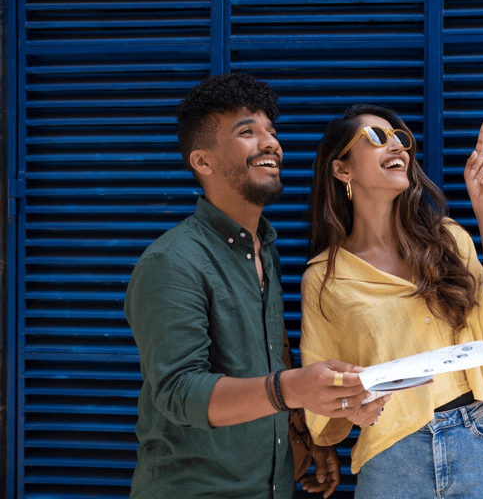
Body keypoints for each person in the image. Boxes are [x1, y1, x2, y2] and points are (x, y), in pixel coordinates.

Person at [124, 73, 387, 499]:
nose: (271, 144)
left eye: (272, 131)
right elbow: (179, 391)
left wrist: (307, 436)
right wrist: (293, 390)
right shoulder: (172, 261)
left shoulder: (265, 250)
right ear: (202, 161)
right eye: (247, 132)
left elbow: (268, 359)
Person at [299, 104, 483, 499]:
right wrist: (352, 409)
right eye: (377, 137)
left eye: (400, 139)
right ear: (342, 170)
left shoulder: (448, 239)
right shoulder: (324, 277)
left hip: (479, 438)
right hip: (391, 451)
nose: (397, 147)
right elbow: (324, 388)